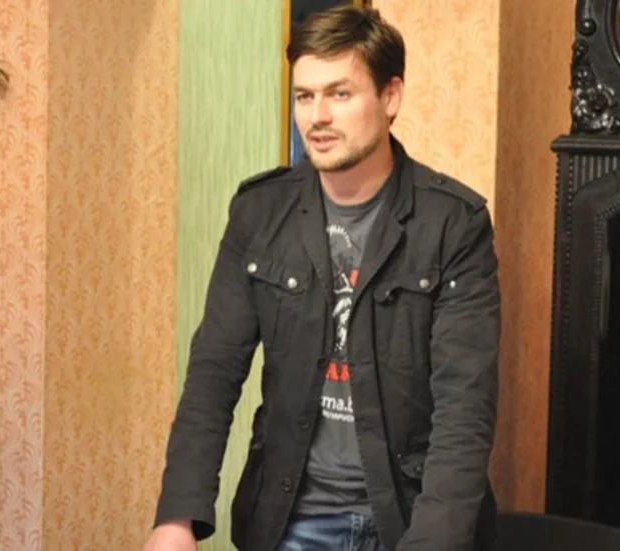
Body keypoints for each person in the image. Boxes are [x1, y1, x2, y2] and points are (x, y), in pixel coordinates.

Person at [142, 5, 500, 551]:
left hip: (410, 521)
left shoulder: (453, 224)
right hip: (291, 523)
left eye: (340, 93)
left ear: (391, 97)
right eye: (305, 96)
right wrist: (177, 518)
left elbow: (464, 407)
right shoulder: (259, 214)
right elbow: (214, 373)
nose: (317, 116)